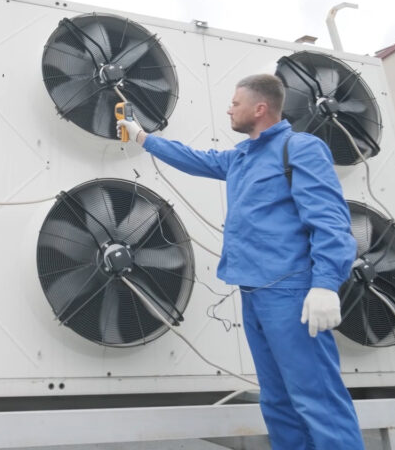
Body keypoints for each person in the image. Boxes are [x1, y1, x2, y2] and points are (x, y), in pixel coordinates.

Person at [117, 73, 363, 449]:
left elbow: (330, 220)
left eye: (236, 102)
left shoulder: (299, 149)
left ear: (260, 108)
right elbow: (193, 158)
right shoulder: (241, 157)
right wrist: (142, 137)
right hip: (254, 291)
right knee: (277, 401)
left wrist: (326, 283)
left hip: (293, 292)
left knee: (317, 399)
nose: (230, 109)